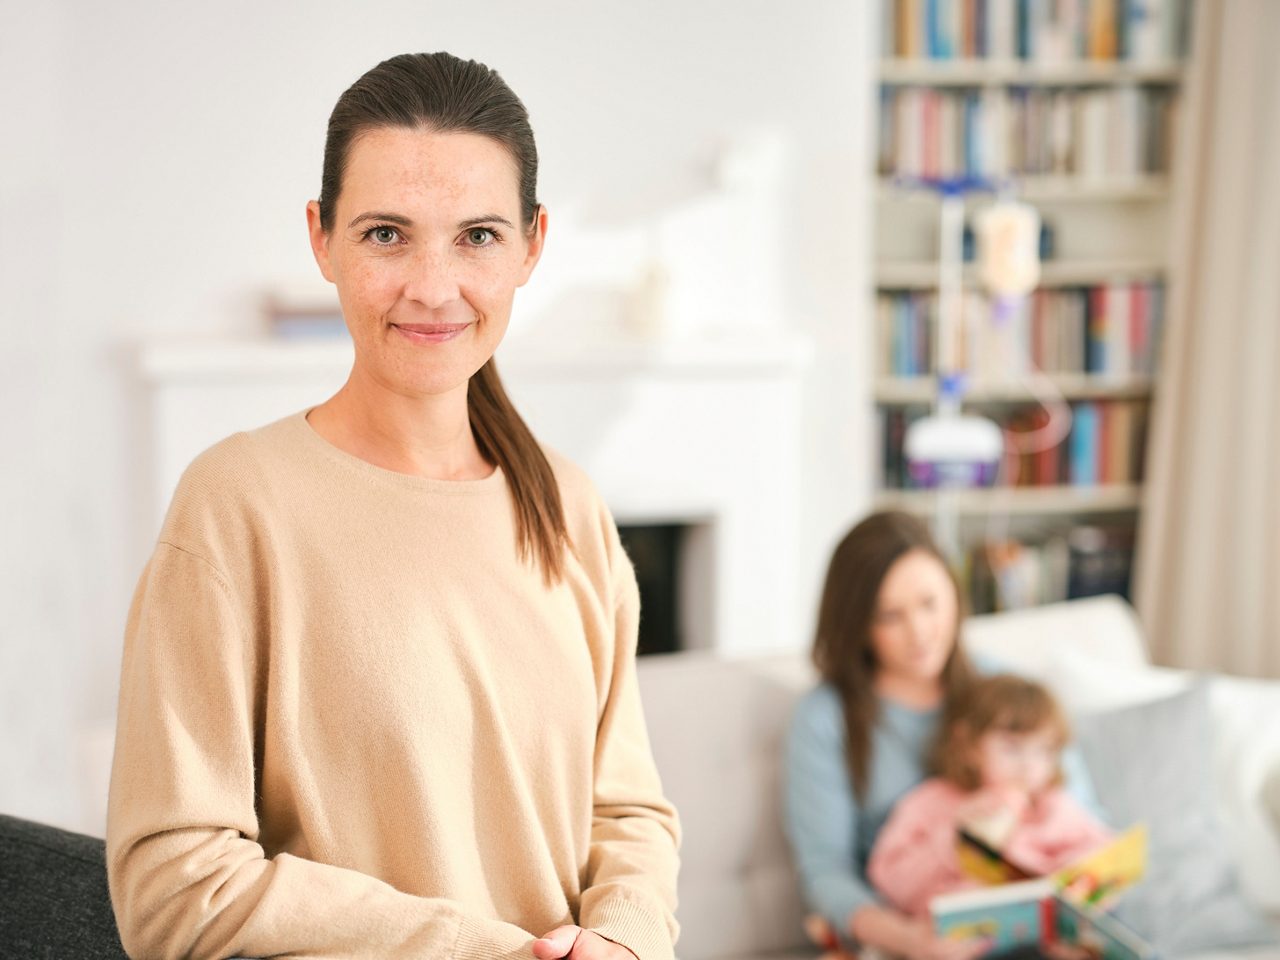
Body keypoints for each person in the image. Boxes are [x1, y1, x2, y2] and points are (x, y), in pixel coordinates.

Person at [106, 52, 679, 960]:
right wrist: (481, 949)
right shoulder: (237, 506)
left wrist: (625, 938)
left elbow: (627, 808)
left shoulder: (568, 507)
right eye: (385, 234)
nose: (432, 284)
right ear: (321, 237)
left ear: (533, 244)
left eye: (477, 236)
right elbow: (175, 889)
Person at [783, 511, 1101, 960]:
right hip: (911, 933)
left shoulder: (1003, 690)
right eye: (890, 615)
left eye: (930, 603)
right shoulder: (824, 719)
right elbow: (825, 872)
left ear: (955, 594)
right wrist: (912, 941)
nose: (920, 632)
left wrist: (1085, 897)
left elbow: (1077, 805)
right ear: (857, 624)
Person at [867, 673, 1113, 920]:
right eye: (1012, 747)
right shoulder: (932, 801)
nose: (1029, 766)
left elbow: (1101, 851)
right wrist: (956, 837)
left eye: (1043, 750)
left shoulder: (1054, 805)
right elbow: (889, 879)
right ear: (970, 744)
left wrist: (1070, 879)